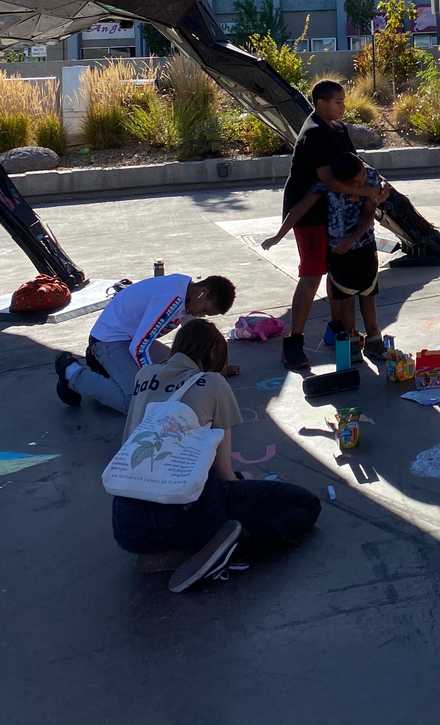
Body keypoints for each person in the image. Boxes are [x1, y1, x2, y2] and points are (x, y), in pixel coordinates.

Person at [112, 320, 320, 592]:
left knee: (218, 497)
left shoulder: (144, 376)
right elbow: (224, 473)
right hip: (185, 512)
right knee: (305, 505)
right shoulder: (211, 382)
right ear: (212, 353)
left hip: (128, 526)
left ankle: (172, 553)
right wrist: (245, 483)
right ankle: (231, 548)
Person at [278, 79, 390, 369]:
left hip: (336, 213)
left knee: (337, 271)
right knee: (312, 273)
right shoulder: (314, 133)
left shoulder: (339, 130)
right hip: (311, 212)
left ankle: (339, 329)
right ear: (320, 103)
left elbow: (356, 167)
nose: (343, 106)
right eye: (337, 102)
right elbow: (328, 180)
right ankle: (294, 341)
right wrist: (368, 193)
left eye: (343, 101)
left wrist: (377, 186)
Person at [55, 272, 236, 413]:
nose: (200, 315)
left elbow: (195, 335)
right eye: (204, 310)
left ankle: (109, 373)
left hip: (130, 339)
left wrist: (215, 366)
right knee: (138, 404)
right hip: (108, 342)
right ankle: (72, 372)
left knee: (181, 373)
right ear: (203, 293)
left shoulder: (186, 291)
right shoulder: (172, 299)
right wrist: (152, 383)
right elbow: (139, 348)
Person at [264, 153, 388, 359]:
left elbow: (368, 213)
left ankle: (374, 337)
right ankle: (351, 340)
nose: (362, 183)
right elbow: (300, 208)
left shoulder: (372, 178)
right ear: (342, 183)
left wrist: (353, 238)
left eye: (362, 175)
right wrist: (278, 235)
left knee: (368, 292)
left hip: (364, 245)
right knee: (345, 295)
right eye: (355, 183)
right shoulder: (327, 185)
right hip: (338, 250)